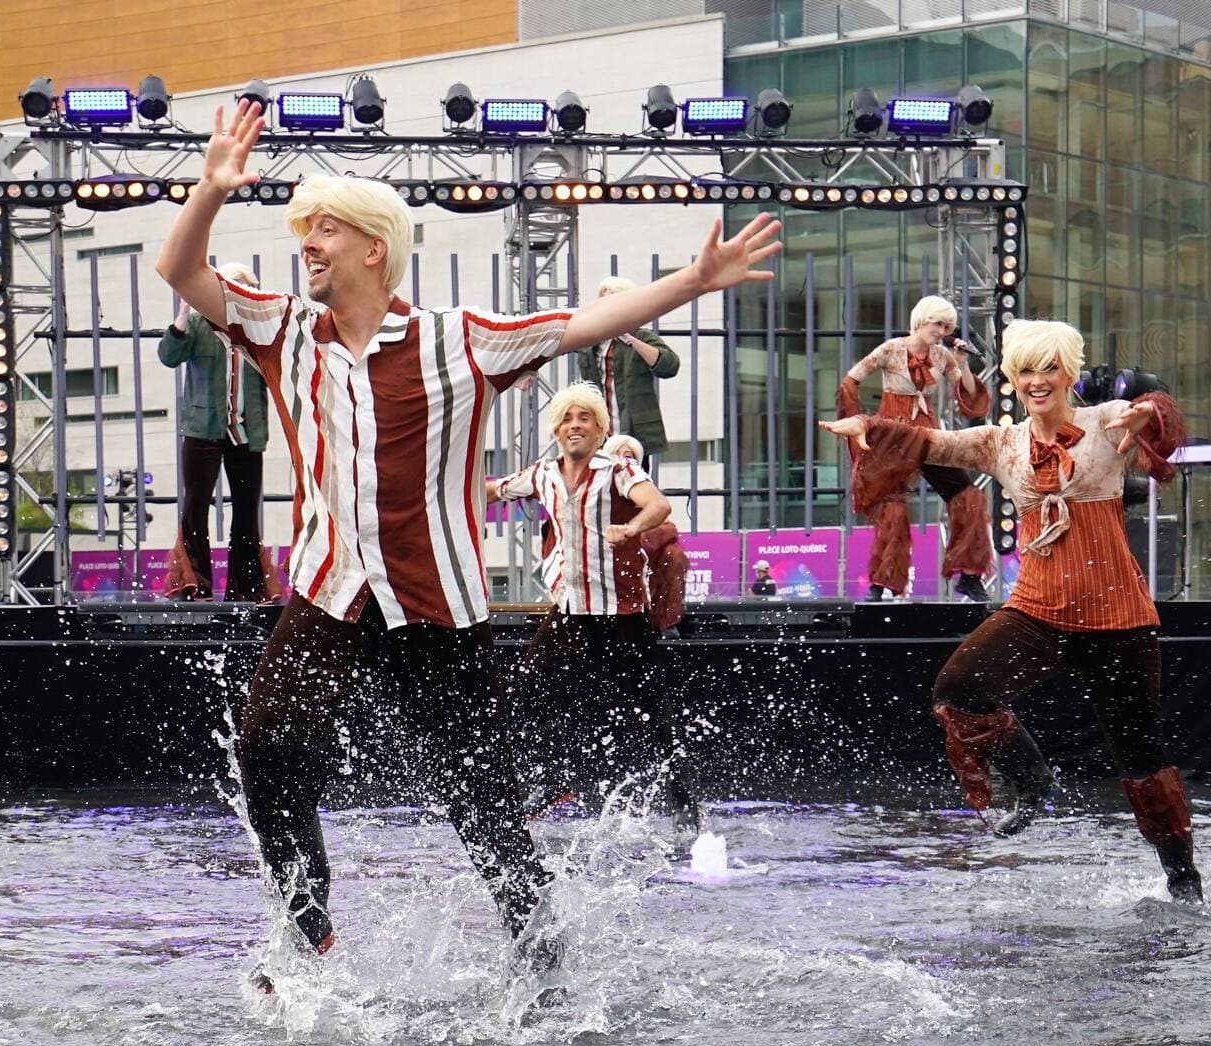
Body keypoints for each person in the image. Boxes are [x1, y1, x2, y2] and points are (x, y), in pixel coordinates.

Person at [151, 99, 781, 979]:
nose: (308, 244)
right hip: (329, 594)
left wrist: (693, 280)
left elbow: (581, 325)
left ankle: (541, 952)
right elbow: (178, 268)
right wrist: (210, 190)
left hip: (438, 606)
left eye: (324, 229)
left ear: (374, 248)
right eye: (304, 231)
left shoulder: (460, 340)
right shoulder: (282, 330)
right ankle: (308, 915)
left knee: (482, 809)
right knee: (265, 749)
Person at [822, 320, 1202, 900]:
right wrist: (868, 424)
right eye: (1026, 371)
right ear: (1013, 380)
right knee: (957, 691)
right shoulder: (1002, 443)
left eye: (1049, 369)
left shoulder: (1107, 421)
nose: (1038, 381)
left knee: (1143, 758)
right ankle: (1033, 780)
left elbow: (1160, 412)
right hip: (1039, 612)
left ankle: (1183, 879)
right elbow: (931, 443)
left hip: (1119, 618)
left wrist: (1151, 412)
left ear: (1070, 373)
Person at [488, 383, 694, 825]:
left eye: (584, 418)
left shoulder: (617, 469)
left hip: (623, 616)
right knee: (528, 693)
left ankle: (683, 805)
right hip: (571, 613)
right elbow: (494, 489)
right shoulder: (542, 473)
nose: (574, 425)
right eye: (567, 418)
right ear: (556, 429)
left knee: (653, 715)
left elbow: (657, 506)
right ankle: (554, 780)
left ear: (599, 429)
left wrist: (631, 527)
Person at [836, 295, 996, 602]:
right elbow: (851, 380)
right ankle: (880, 584)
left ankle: (970, 575)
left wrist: (962, 364)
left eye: (946, 326)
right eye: (938, 323)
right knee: (893, 507)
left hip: (927, 434)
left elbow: (971, 396)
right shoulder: (891, 349)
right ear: (922, 319)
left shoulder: (943, 357)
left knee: (968, 495)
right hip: (894, 436)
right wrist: (859, 423)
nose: (941, 330)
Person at [158, 260, 271, 601]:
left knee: (247, 509)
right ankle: (196, 584)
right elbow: (168, 356)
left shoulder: (257, 331)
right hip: (201, 428)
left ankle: (246, 588)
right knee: (196, 505)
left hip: (246, 431)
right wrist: (181, 315)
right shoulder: (197, 324)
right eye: (228, 287)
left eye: (242, 288)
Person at [572, 276, 680, 464]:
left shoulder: (640, 335)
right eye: (603, 301)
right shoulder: (592, 338)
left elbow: (669, 365)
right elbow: (558, 346)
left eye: (613, 301)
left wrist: (630, 339)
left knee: (634, 483)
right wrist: (528, 371)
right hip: (599, 433)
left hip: (633, 432)